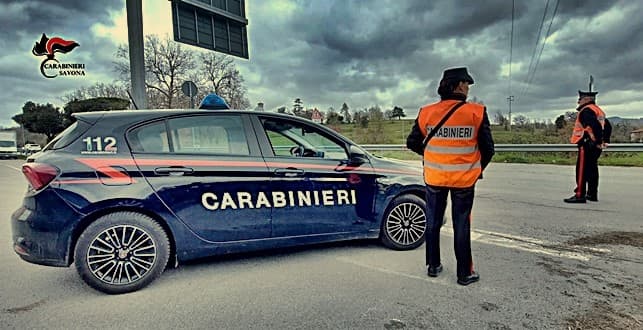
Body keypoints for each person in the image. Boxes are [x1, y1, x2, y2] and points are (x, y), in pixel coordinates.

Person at [406, 67, 495, 286]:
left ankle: (433, 266)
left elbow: (412, 142)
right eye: (466, 84)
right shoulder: (476, 112)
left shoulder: (426, 112)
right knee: (461, 224)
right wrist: (474, 168)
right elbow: (488, 149)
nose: (467, 88)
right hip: (464, 180)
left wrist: (432, 156)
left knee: (433, 222)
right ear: (457, 86)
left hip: (435, 177)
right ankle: (464, 273)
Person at [564, 89, 612, 203]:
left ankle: (580, 195)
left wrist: (596, 141)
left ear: (586, 99)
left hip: (587, 145)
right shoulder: (598, 111)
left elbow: (595, 126)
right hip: (595, 146)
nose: (578, 101)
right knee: (592, 169)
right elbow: (608, 126)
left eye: (580, 99)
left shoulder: (586, 111)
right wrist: (603, 141)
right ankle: (592, 194)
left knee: (581, 170)